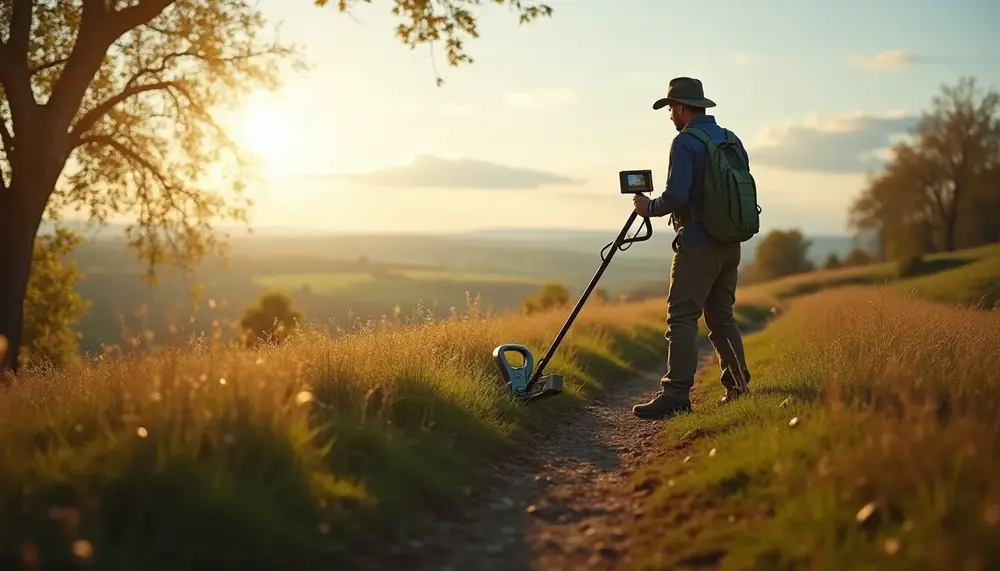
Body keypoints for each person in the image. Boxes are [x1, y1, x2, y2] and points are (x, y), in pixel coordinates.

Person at [630, 76, 753, 420]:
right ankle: (738, 386)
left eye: (670, 109)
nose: (670, 115)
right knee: (721, 316)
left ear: (681, 107)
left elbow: (676, 196)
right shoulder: (730, 138)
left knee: (682, 317)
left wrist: (648, 207)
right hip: (730, 242)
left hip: (698, 243)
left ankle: (676, 394)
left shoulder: (685, 141)